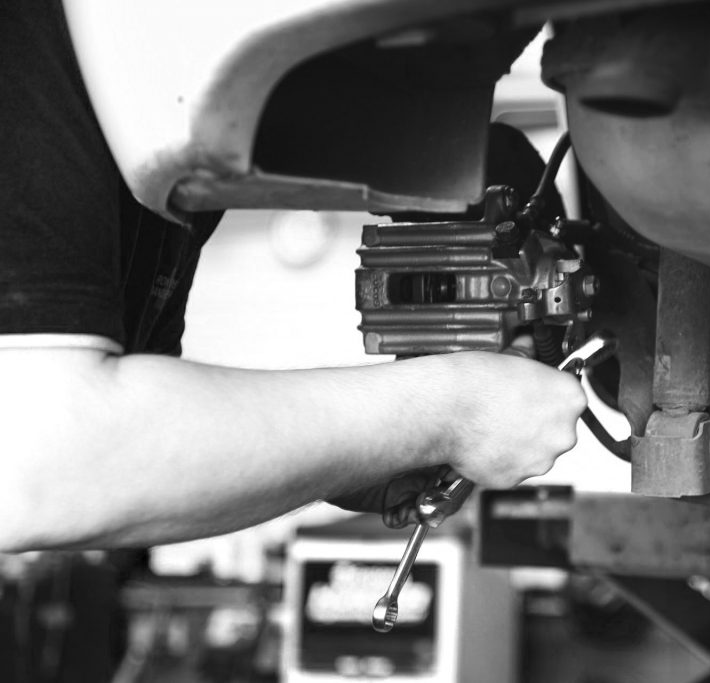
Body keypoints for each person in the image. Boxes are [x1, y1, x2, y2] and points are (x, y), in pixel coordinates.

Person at [0, 0, 587, 552]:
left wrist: (349, 454)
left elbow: (134, 457)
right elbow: (41, 465)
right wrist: (450, 412)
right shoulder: (27, 35)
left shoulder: (159, 89)